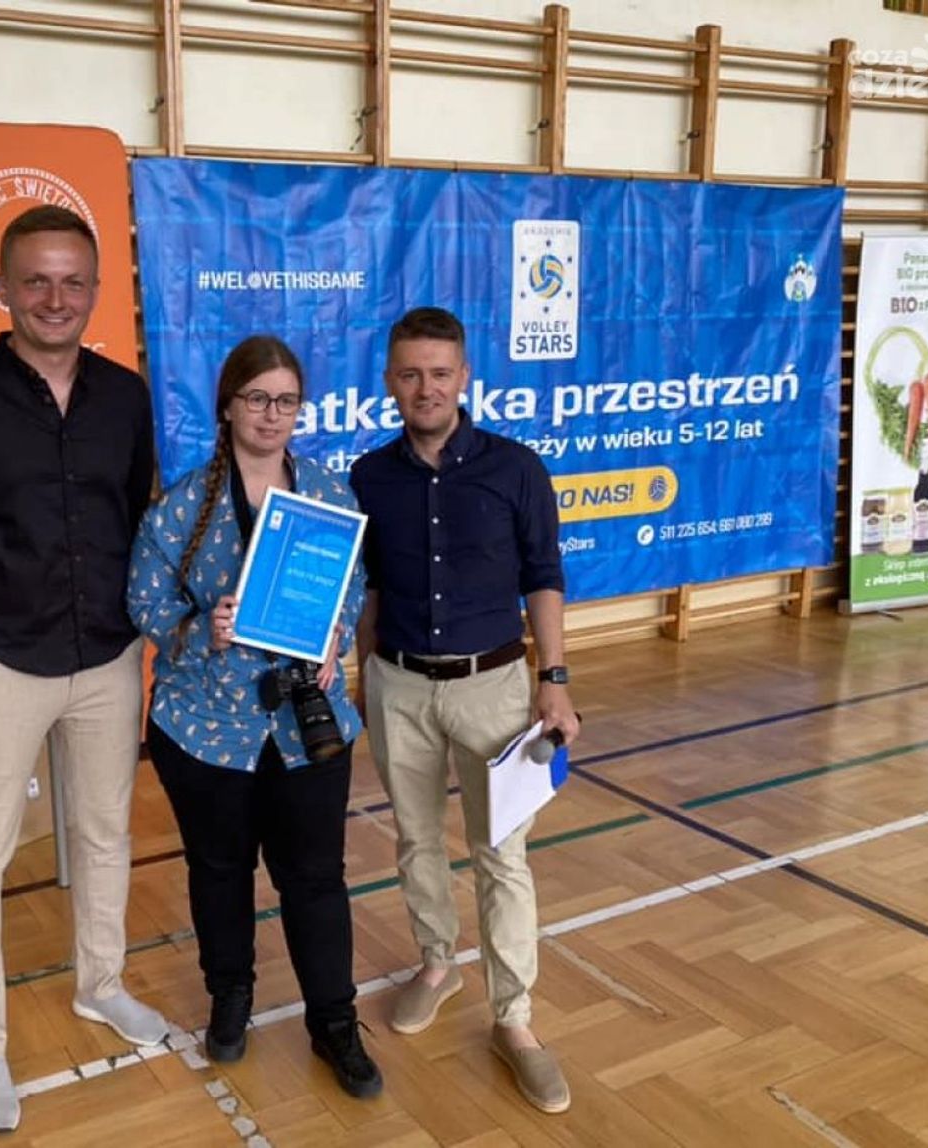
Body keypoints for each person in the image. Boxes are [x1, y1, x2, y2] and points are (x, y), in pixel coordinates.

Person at [0, 204, 168, 1136]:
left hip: (107, 653)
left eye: (74, 281)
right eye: (37, 281)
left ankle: (101, 983)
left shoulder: (125, 396)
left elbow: (133, 509)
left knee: (103, 834)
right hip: (0, 658)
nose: (57, 298)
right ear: (4, 286)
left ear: (95, 290)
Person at [127, 335, 383, 1100]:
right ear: (228, 406)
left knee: (316, 879)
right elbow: (144, 599)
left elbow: (352, 582)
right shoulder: (182, 507)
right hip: (206, 726)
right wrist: (198, 629)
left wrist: (336, 634)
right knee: (219, 871)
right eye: (257, 398)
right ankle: (230, 996)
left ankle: (333, 1022)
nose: (272, 414)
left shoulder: (329, 496)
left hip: (307, 726)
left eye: (286, 401)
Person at [350, 306, 580, 1115]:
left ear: (464, 378)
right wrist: (364, 674)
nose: (426, 388)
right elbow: (369, 588)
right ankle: (437, 962)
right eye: (411, 374)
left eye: (440, 373)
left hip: (496, 687)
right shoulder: (369, 477)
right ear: (390, 381)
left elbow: (543, 575)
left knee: (501, 855)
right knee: (416, 839)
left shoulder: (516, 469)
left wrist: (555, 679)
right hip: (399, 684)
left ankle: (514, 1018)